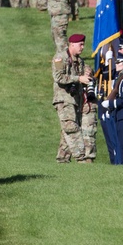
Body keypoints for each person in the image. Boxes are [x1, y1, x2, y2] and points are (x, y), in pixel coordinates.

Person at [51, 33, 95, 164]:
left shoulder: (79, 61)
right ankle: (81, 159)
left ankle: (62, 159)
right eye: (80, 44)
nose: (82, 47)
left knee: (67, 130)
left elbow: (85, 70)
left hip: (75, 101)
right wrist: (78, 78)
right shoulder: (60, 58)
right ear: (72, 45)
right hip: (64, 100)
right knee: (71, 127)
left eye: (83, 44)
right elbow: (58, 77)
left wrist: (88, 72)